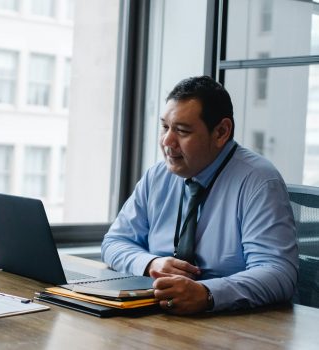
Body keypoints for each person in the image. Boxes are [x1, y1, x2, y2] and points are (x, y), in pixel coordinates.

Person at [101, 76, 298, 315]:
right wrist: (151, 264)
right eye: (165, 127)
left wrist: (207, 293)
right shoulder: (158, 176)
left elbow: (278, 273)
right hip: (159, 315)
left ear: (221, 132)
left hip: (231, 326)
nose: (167, 141)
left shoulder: (258, 181)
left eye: (182, 131)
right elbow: (114, 242)